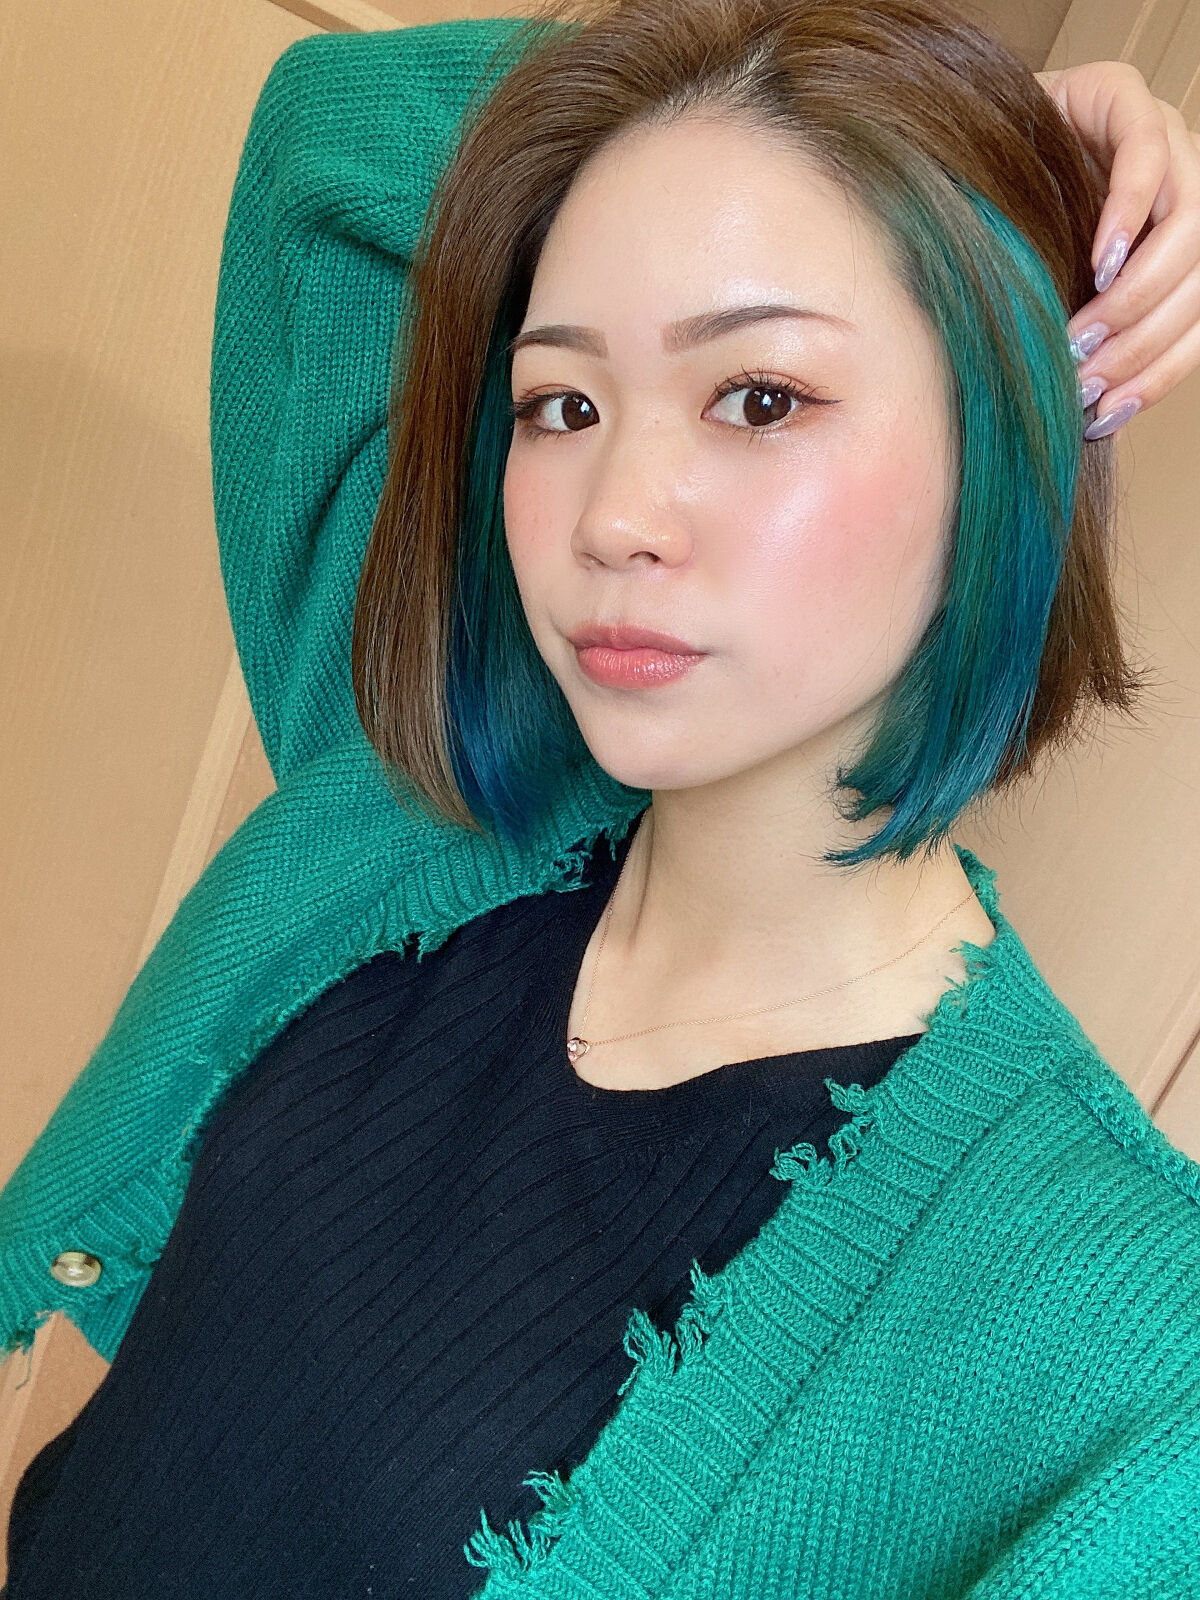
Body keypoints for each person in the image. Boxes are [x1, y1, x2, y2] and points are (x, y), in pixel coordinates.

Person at [3, 1, 1200, 1595]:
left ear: (1013, 430)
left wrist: (963, 186)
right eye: (561, 405)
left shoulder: (1128, 1356)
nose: (612, 515)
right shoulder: (424, 806)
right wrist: (964, 111)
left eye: (758, 397)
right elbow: (327, 139)